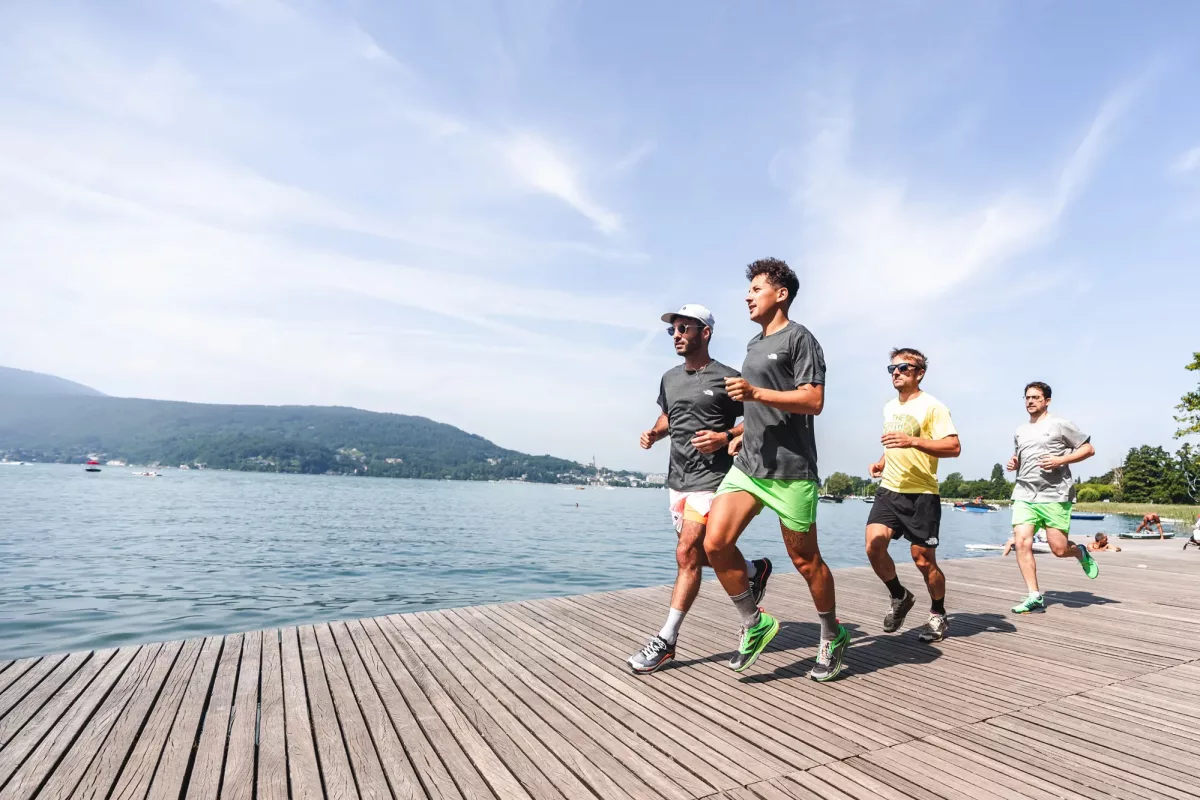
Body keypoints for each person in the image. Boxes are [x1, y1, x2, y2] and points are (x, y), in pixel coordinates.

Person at [703, 258, 850, 681]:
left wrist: (755, 392)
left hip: (791, 471)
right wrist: (734, 433)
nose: (747, 296)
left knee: (807, 562)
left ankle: (831, 632)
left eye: (756, 288)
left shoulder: (799, 339)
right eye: (748, 289)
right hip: (749, 466)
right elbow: (756, 408)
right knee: (715, 544)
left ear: (780, 294)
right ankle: (755, 621)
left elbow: (812, 400)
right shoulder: (753, 344)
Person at [627, 304, 769, 674]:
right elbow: (669, 416)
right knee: (703, 554)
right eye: (672, 329)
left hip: (713, 480)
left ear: (704, 332)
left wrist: (725, 436)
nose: (676, 334)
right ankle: (754, 571)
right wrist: (654, 433)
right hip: (678, 480)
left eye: (683, 328)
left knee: (687, 550)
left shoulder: (727, 376)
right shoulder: (669, 378)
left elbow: (757, 417)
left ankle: (667, 640)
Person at [865, 348, 961, 643]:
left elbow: (953, 447)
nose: (896, 372)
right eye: (892, 368)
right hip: (890, 490)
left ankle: (938, 613)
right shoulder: (889, 407)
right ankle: (900, 596)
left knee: (923, 560)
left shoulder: (934, 407)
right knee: (873, 546)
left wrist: (913, 441)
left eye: (904, 367)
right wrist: (883, 460)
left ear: (919, 373)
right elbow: (896, 442)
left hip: (921, 494)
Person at [1007, 382, 1100, 614]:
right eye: (1027, 397)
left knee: (1058, 549)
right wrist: (1015, 462)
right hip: (1024, 494)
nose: (1030, 401)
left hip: (1055, 494)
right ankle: (1034, 596)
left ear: (1047, 401)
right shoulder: (1020, 430)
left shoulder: (1060, 425)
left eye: (1036, 397)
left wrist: (1061, 460)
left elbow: (1088, 449)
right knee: (1021, 542)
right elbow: (1022, 455)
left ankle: (1079, 551)